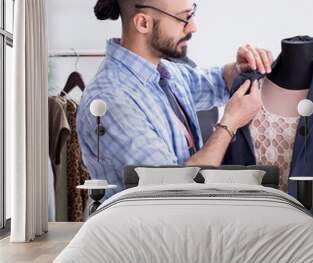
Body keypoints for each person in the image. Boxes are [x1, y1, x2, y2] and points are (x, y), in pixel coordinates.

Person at [77, 0, 273, 197]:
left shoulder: (165, 72)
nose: (193, 26)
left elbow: (215, 82)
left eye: (192, 13)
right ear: (143, 23)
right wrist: (229, 124)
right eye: (183, 18)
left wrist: (238, 68)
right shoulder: (112, 101)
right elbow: (173, 189)